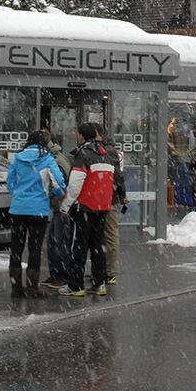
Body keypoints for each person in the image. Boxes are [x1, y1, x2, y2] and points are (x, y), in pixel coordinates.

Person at [5, 130, 66, 298]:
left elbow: (10, 184)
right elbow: (60, 183)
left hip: (18, 209)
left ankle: (16, 287)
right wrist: (53, 193)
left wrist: (19, 193)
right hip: (38, 209)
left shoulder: (17, 159)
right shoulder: (47, 159)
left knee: (16, 248)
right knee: (35, 247)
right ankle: (33, 288)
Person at [59, 122, 116, 297]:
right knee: (98, 246)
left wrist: (65, 206)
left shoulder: (83, 154)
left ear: (81, 136)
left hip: (84, 207)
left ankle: (76, 286)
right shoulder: (106, 155)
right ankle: (99, 283)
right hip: (102, 207)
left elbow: (75, 184)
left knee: (78, 247)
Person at [41, 129, 73, 289]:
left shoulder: (55, 160)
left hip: (61, 207)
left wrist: (49, 194)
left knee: (59, 242)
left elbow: (61, 185)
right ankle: (56, 274)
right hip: (59, 206)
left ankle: (62, 276)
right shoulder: (56, 157)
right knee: (54, 242)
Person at [102, 133, 127, 284]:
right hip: (110, 197)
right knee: (110, 233)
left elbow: (117, 176)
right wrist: (122, 194)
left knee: (109, 234)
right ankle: (108, 271)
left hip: (106, 198)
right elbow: (118, 176)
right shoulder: (111, 152)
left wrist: (122, 193)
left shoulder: (106, 152)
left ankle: (108, 271)